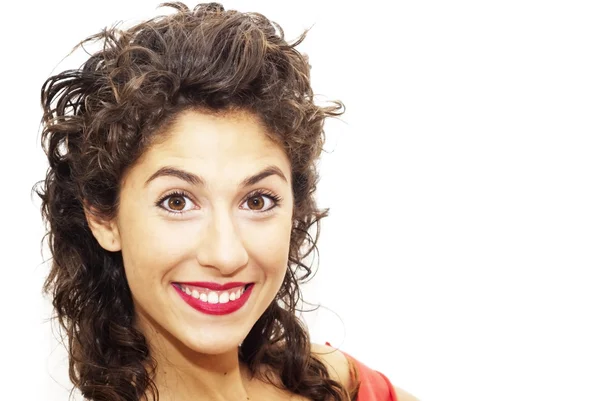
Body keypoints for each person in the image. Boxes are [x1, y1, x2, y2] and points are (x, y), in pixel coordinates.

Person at [36, 2, 418, 400]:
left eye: (256, 201)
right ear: (103, 217)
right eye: (178, 202)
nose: (226, 254)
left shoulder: (344, 383)